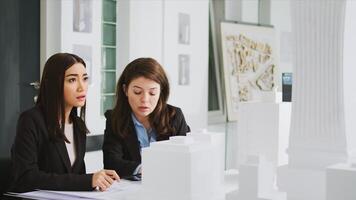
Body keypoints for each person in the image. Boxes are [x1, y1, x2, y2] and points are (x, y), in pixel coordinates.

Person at [9, 53, 119, 192]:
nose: (82, 87)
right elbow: (26, 177)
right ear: (54, 84)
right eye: (72, 80)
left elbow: (76, 177)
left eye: (85, 79)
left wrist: (98, 181)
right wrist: (87, 180)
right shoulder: (31, 120)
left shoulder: (78, 125)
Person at [103, 57, 190, 179]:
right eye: (137, 92)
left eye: (152, 93)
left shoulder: (174, 116)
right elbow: (111, 163)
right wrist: (143, 169)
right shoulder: (115, 119)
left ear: (161, 92)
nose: (145, 99)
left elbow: (186, 158)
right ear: (125, 90)